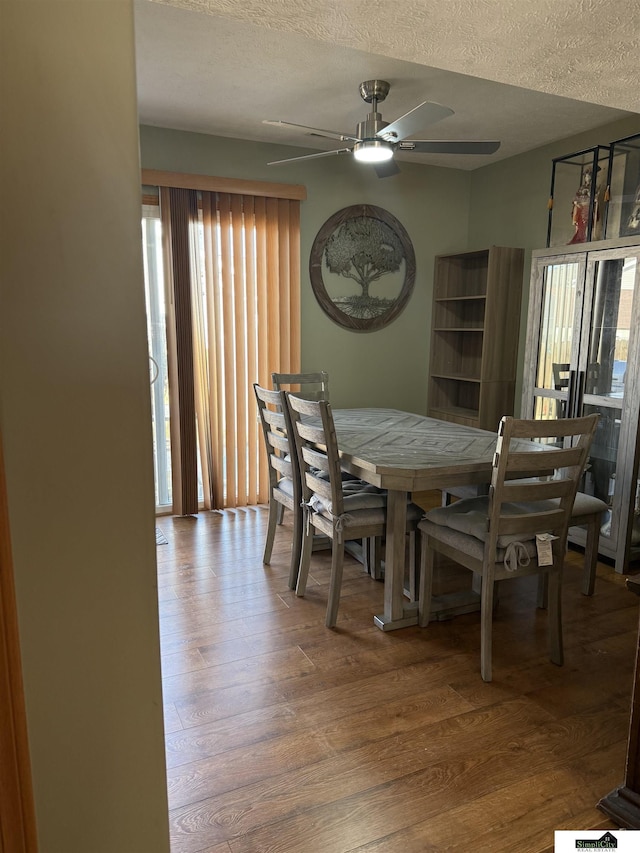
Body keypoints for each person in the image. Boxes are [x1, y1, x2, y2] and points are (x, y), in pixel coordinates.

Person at [569, 166, 599, 244]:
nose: (587, 178)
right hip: (580, 205)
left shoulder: (593, 187)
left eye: (588, 176)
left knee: (585, 217)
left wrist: (589, 194)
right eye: (586, 176)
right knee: (578, 214)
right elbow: (577, 195)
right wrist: (576, 201)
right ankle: (579, 235)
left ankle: (586, 235)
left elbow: (595, 196)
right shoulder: (582, 187)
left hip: (588, 205)